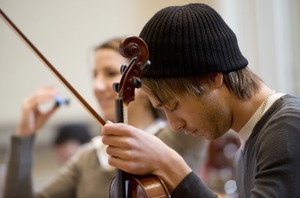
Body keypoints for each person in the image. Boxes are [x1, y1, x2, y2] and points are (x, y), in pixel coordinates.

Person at [101, 3, 300, 198]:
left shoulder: (288, 127)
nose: (174, 125)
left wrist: (169, 165)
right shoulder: (250, 144)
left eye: (174, 105)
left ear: (212, 78)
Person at [3, 37, 207, 198]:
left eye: (109, 73)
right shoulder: (87, 157)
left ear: (142, 82)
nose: (98, 86)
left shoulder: (179, 135)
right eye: (95, 76)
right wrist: (24, 134)